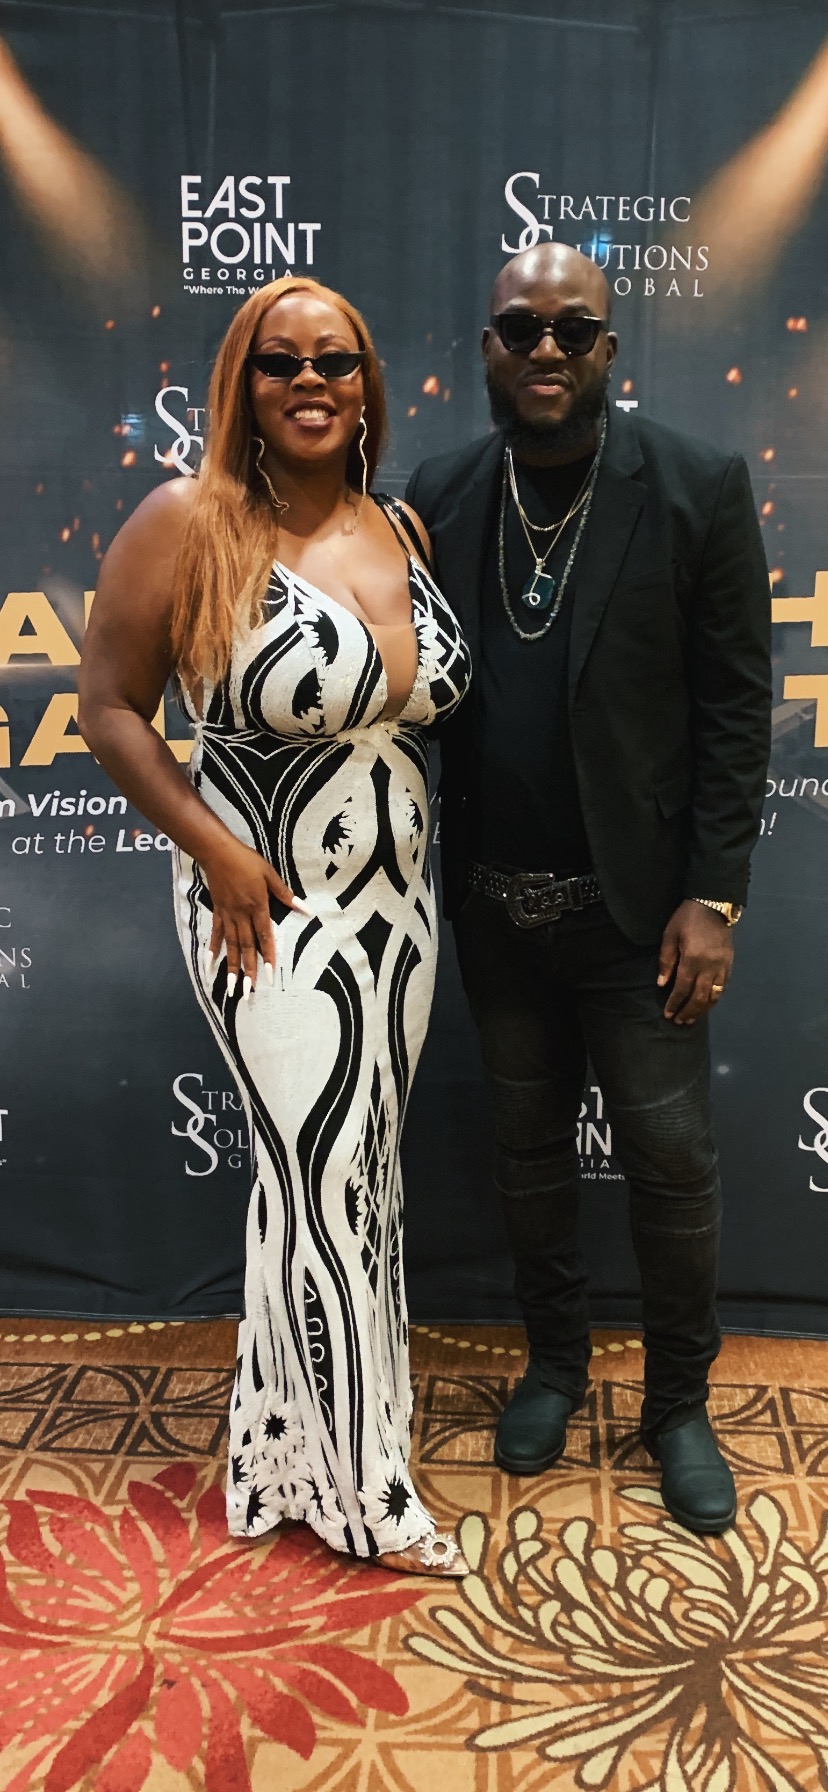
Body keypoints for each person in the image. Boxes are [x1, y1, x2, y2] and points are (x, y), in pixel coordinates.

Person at [78, 276, 472, 1574]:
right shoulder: (188, 520)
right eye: (281, 362)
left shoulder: (398, 524)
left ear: (368, 383)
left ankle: (279, 1449)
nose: (311, 381)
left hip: (397, 914)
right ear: (240, 385)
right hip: (265, 910)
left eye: (336, 360)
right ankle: (368, 1490)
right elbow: (111, 708)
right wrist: (216, 851)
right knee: (325, 1179)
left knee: (345, 1180)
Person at [406, 243, 772, 1536]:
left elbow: (738, 708)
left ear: (611, 348)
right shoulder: (440, 497)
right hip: (497, 909)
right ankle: (553, 1367)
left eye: (573, 329)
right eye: (522, 329)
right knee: (526, 1158)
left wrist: (713, 896)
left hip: (642, 920)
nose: (547, 348)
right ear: (489, 347)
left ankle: (678, 1406)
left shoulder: (694, 486)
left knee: (672, 1165)